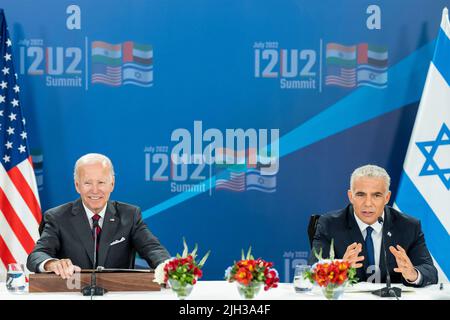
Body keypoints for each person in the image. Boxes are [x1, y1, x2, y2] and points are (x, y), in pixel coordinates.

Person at [27, 153, 170, 279]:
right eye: (87, 183)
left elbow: (153, 249)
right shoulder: (56, 217)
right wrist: (51, 264)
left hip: (120, 294)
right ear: (77, 185)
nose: (95, 190)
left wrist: (168, 267)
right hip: (72, 293)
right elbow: (37, 255)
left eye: (101, 182)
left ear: (112, 184)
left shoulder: (130, 215)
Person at [309, 164, 438, 287]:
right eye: (361, 194)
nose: (368, 203)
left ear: (387, 197)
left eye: (376, 195)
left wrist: (413, 274)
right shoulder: (329, 225)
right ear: (351, 196)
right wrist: (340, 268)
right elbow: (313, 274)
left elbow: (430, 271)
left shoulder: (408, 226)